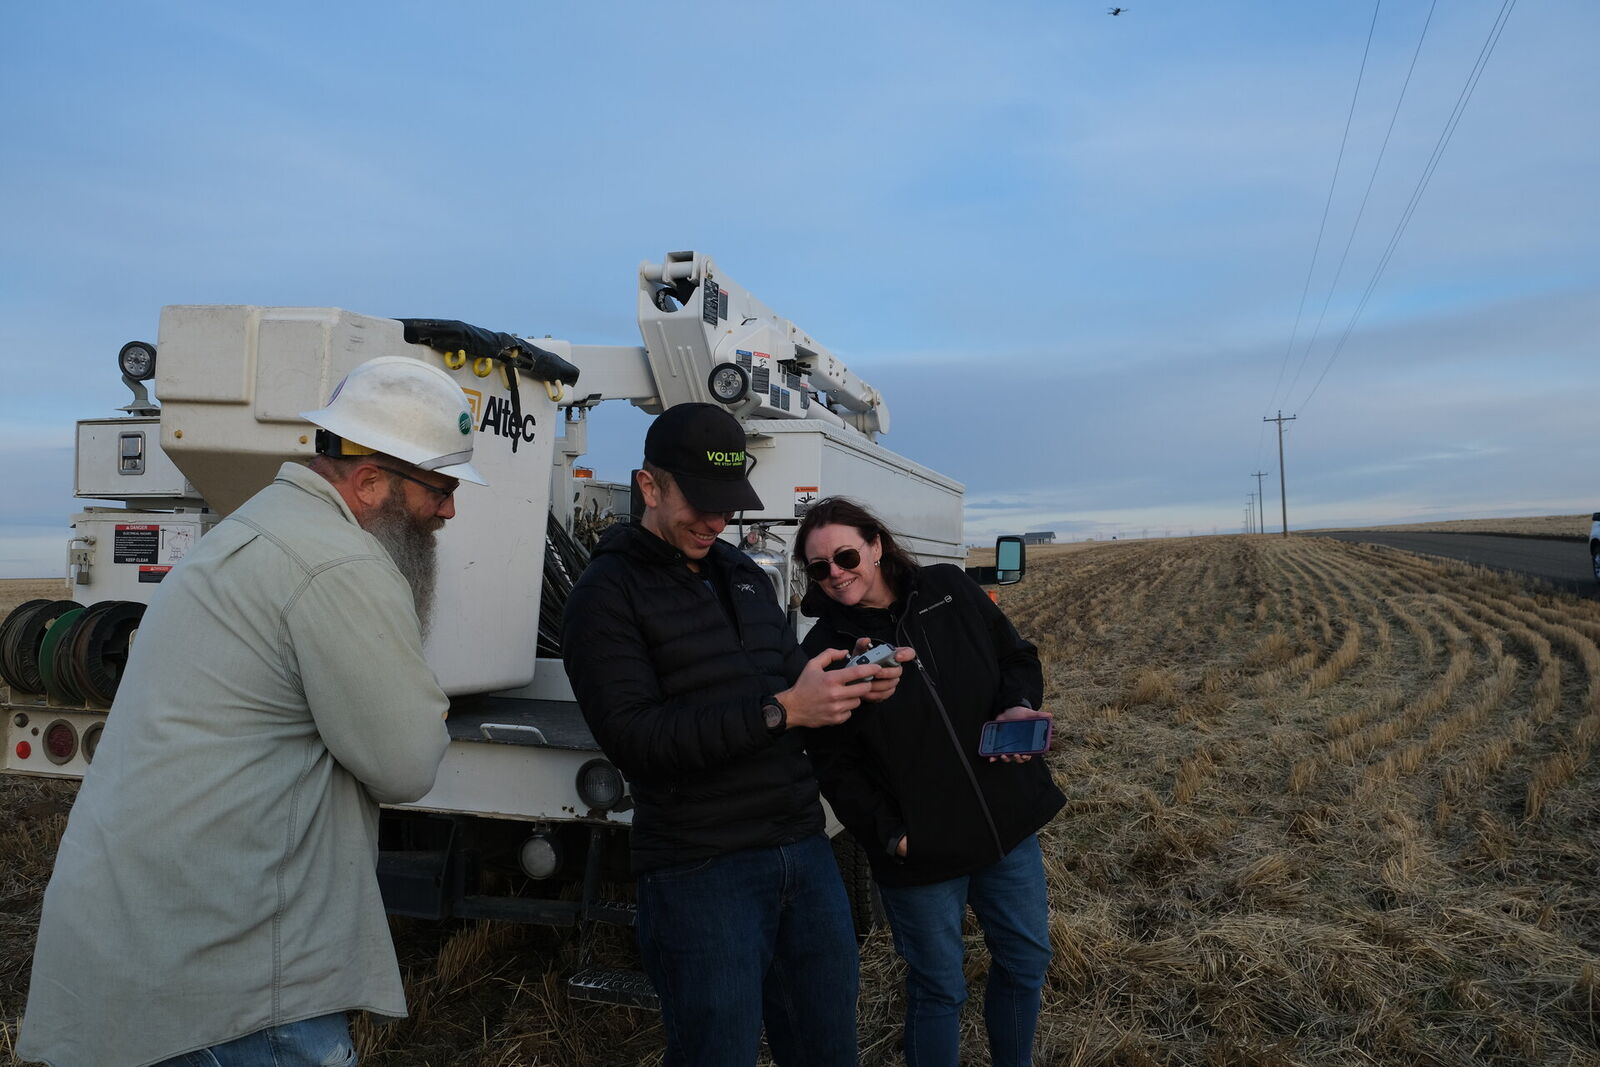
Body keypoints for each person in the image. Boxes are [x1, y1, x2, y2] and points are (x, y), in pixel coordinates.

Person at [19, 356, 480, 1067]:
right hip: (229, 988)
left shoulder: (249, 532)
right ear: (368, 481)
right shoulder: (338, 564)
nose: (449, 509)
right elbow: (407, 760)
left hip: (144, 950)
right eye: (442, 487)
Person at [561, 403, 908, 1067]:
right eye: (701, 502)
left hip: (802, 853)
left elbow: (790, 681)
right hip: (702, 870)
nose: (718, 520)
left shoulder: (745, 575)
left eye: (728, 503)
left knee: (827, 1048)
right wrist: (781, 710)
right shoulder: (605, 595)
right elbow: (637, 738)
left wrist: (846, 684)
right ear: (649, 486)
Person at [794, 497, 1065, 1067]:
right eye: (820, 568)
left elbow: (1017, 658)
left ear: (875, 544)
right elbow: (831, 763)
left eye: (845, 555)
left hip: (1003, 823)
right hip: (920, 850)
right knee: (939, 989)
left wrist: (1017, 706)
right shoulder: (824, 653)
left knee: (1025, 961)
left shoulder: (949, 589)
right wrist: (891, 834)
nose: (836, 573)